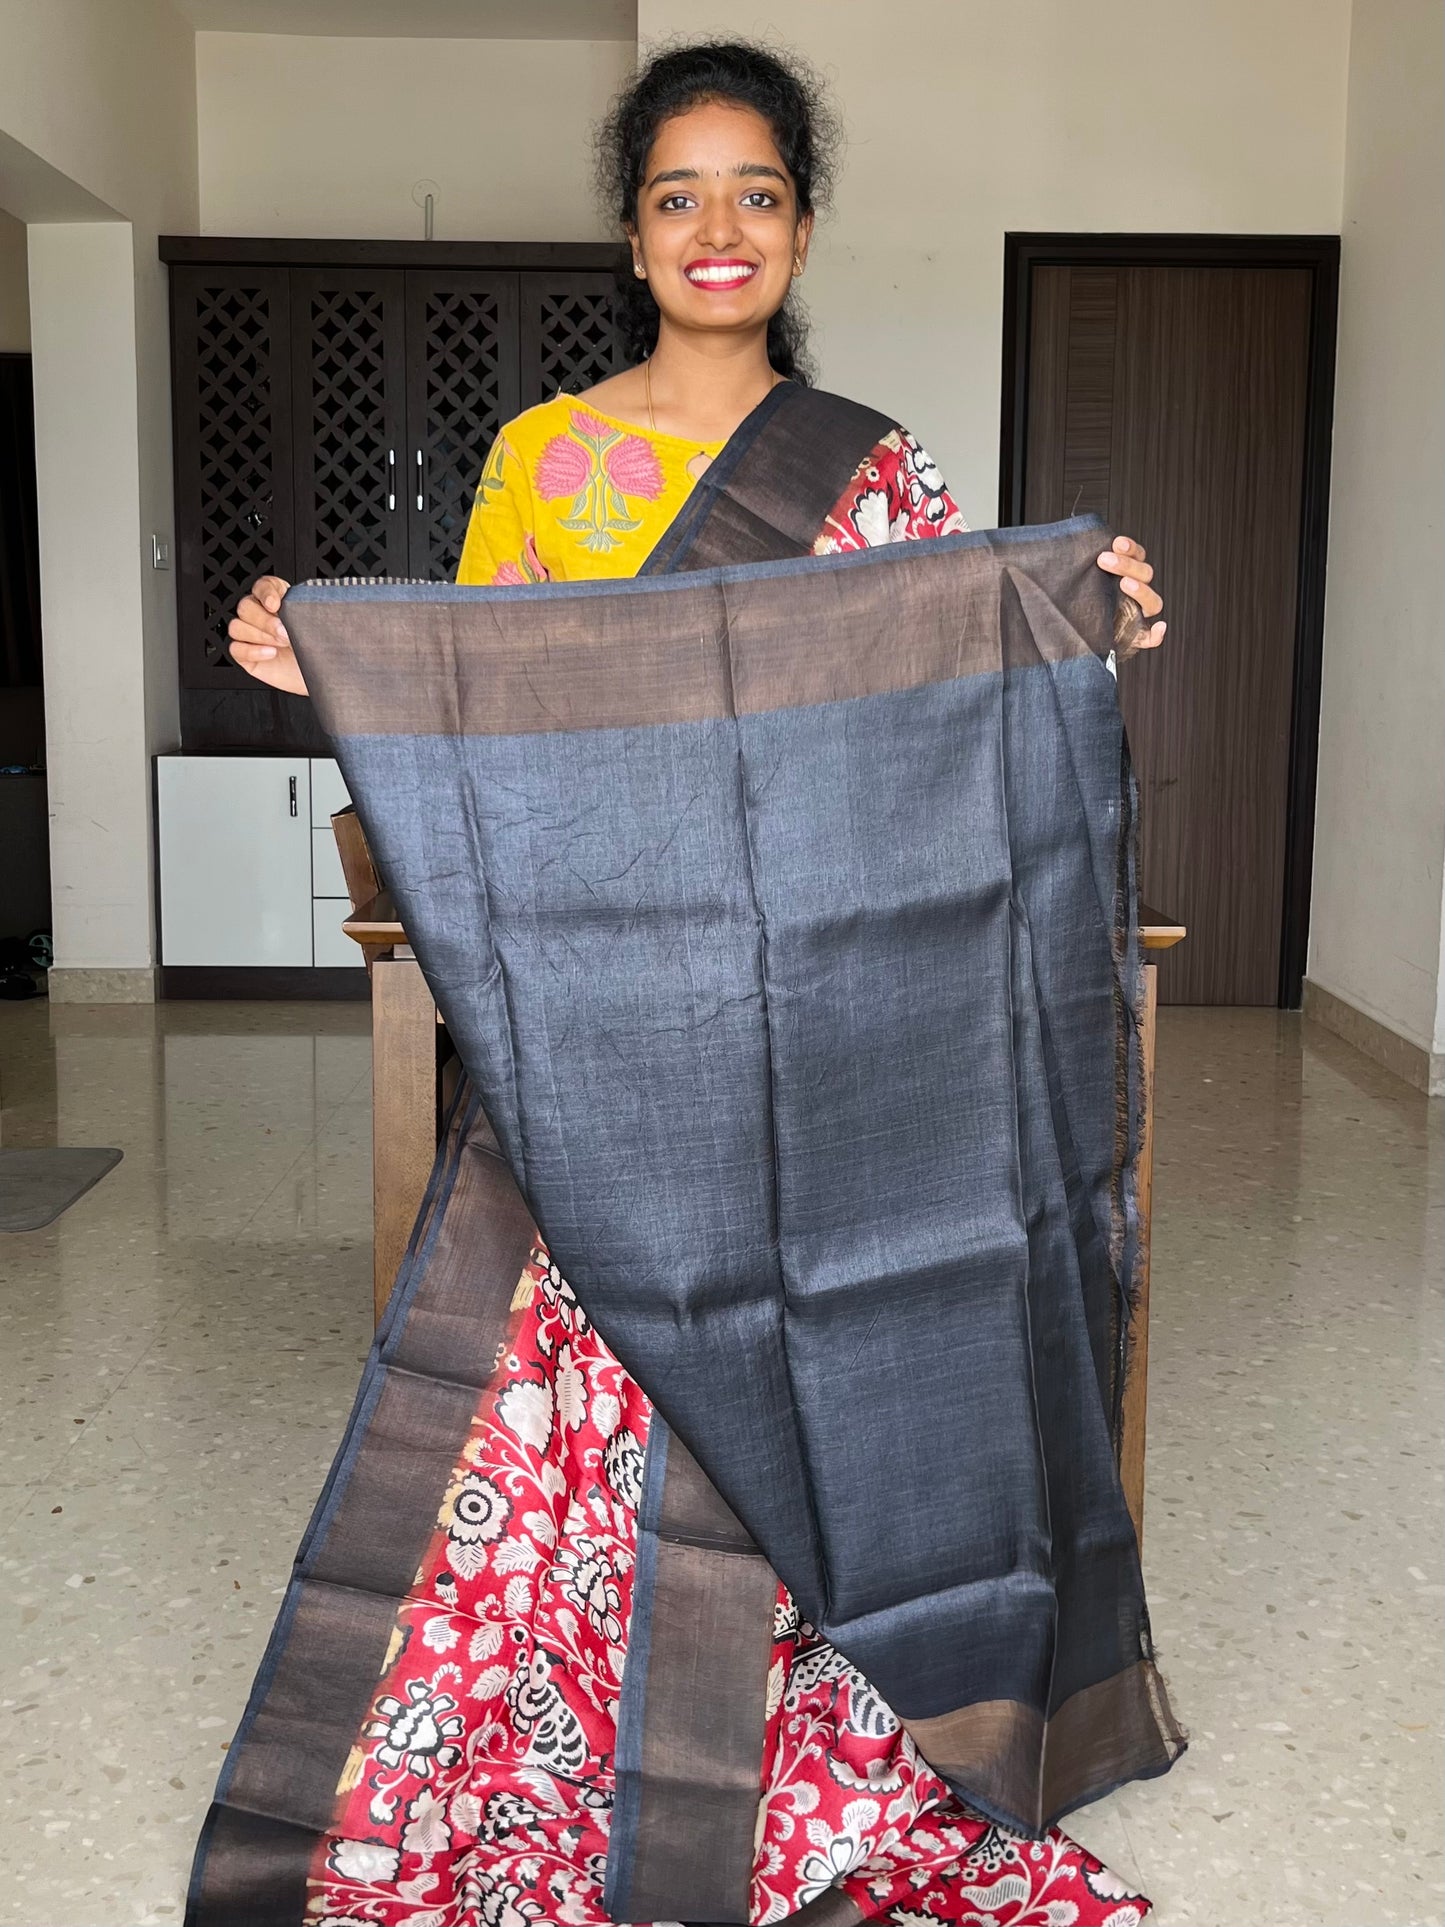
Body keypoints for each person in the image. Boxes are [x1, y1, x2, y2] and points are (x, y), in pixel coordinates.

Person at [203, 41, 1173, 1927]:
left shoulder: (876, 469)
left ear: (799, 226)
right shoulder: (542, 460)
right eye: (676, 195)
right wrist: (340, 680)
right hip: (609, 1042)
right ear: (630, 231)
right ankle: (568, 1746)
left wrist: (1081, 636)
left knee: (816, 1371)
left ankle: (821, 1760)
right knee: (602, 1380)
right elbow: (488, 727)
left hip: (819, 1053)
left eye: (753, 194)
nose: (715, 229)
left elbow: (934, 727)